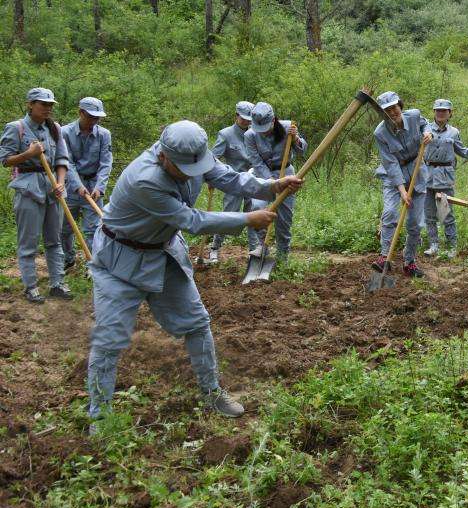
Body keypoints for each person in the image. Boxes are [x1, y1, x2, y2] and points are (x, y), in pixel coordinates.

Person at [86, 121, 303, 429]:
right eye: (184, 169)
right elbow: (193, 219)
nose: (193, 173)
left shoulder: (194, 154)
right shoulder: (143, 180)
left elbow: (228, 177)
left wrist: (271, 186)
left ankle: (212, 392)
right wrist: (246, 219)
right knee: (109, 339)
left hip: (162, 252)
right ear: (164, 157)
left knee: (197, 323)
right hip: (120, 260)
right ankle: (99, 415)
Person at [0, 88, 72, 303]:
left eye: (50, 105)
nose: (47, 108)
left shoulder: (55, 129)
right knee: (29, 242)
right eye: (43, 104)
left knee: (54, 240)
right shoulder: (16, 128)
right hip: (28, 189)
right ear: (30, 104)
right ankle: (31, 287)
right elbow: (5, 159)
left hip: (53, 189)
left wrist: (60, 183)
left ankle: (58, 283)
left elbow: (62, 160)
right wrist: (28, 154)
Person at [372, 91, 433, 277]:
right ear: (383, 113)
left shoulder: (414, 116)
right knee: (390, 213)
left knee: (415, 222)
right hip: (393, 176)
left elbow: (425, 124)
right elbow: (390, 163)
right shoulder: (380, 133)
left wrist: (428, 133)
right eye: (387, 110)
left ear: (400, 105)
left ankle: (409, 262)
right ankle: (385, 257)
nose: (392, 112)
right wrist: (402, 190)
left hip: (417, 173)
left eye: (394, 107)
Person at [422, 99, 468, 258]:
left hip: (444, 177)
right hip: (427, 175)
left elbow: (462, 151)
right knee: (429, 213)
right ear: (434, 112)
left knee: (445, 213)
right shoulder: (425, 128)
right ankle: (434, 245)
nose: (440, 113)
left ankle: (451, 247)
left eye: (444, 111)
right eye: (438, 110)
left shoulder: (454, 132)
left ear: (450, 113)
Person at [244, 102, 307, 264]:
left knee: (284, 218)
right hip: (262, 174)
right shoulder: (250, 136)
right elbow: (256, 161)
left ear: (273, 121)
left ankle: (282, 257)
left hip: (286, 172)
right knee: (258, 206)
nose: (263, 133)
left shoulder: (288, 128)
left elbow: (302, 151)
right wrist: (271, 182)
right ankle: (262, 245)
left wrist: (296, 138)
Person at [60, 97, 113, 271]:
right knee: (66, 228)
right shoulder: (64, 133)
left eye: (97, 118)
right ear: (80, 113)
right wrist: (77, 185)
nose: (94, 121)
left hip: (94, 187)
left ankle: (93, 265)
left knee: (94, 229)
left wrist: (99, 187)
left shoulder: (104, 135)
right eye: (91, 117)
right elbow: (67, 162)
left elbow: (106, 163)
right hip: (70, 186)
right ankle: (68, 259)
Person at [209, 101, 259, 261]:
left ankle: (253, 250)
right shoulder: (225, 134)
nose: (246, 122)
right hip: (233, 181)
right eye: (243, 118)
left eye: (248, 119)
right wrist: (211, 176)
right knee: (228, 215)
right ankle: (215, 248)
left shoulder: (254, 134)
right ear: (236, 116)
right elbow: (213, 158)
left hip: (252, 179)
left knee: (253, 214)